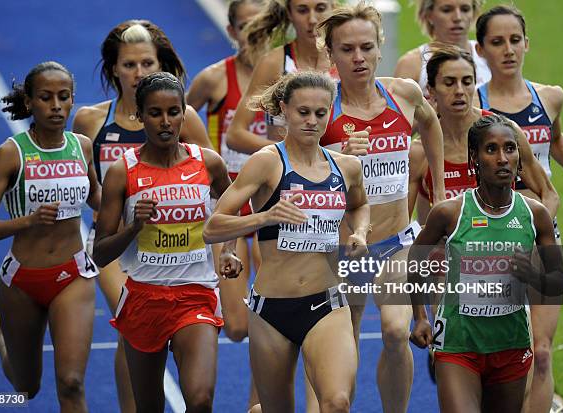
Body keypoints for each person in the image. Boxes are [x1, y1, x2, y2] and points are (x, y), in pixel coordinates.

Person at [204, 71, 370, 412]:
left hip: (327, 303)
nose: (311, 121)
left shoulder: (347, 167)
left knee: (337, 402)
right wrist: (265, 217)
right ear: (284, 110)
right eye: (302, 112)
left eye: (320, 113)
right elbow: (213, 226)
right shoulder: (267, 162)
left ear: (331, 112)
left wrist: (359, 233)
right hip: (272, 309)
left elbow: (360, 204)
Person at [71, 19, 213, 412]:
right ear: (114, 68)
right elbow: (83, 187)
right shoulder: (90, 120)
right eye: (129, 65)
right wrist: (120, 204)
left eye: (147, 64)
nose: (138, 73)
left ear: (160, 64)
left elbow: (210, 180)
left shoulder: (184, 118)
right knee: (129, 314)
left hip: (176, 241)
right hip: (115, 242)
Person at [316, 4, 444, 411]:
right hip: (343, 247)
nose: (358, 58)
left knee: (393, 332)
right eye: (347, 49)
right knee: (346, 344)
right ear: (331, 53)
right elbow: (294, 167)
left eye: (366, 47)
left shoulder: (403, 92)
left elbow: (431, 124)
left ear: (378, 47)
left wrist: (437, 189)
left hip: (394, 242)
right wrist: (334, 154)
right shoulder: (321, 107)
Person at [93, 72, 241, 413]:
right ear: (140, 115)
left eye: (174, 112)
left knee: (201, 399)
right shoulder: (122, 172)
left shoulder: (208, 163)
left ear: (184, 112)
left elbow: (233, 206)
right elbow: (99, 253)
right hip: (144, 298)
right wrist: (134, 227)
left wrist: (229, 250)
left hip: (197, 295)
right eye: (155, 113)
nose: (165, 121)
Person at [409, 113, 563, 413]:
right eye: (491, 149)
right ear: (474, 159)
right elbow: (416, 260)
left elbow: (559, 280)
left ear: (520, 159)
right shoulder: (449, 213)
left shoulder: (535, 215)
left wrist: (533, 276)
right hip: (458, 344)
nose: (503, 158)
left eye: (510, 148)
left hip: (511, 345)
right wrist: (420, 316)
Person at [0, 61, 101, 412]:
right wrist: (27, 222)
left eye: (64, 97)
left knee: (72, 383)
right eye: (46, 98)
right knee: (26, 387)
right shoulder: (10, 154)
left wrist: (134, 205)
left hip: (73, 275)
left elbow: (96, 197)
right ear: (29, 103)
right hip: (22, 280)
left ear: (73, 100)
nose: (56, 106)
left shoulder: (82, 147)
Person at [474, 6, 563, 412]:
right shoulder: (473, 106)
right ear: (480, 50)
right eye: (497, 42)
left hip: (543, 234)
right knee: (498, 352)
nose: (508, 50)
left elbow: (555, 140)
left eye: (515, 40)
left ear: (527, 43)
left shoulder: (549, 97)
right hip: (488, 241)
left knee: (542, 349)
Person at [409, 44, 559, 223]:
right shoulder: (420, 151)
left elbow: (550, 195)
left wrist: (531, 239)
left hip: (504, 249)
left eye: (466, 82)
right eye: (449, 83)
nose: (459, 91)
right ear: (431, 90)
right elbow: (404, 224)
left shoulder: (505, 133)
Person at [187, 0, 265, 343]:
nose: (255, 33)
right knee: (237, 327)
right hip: (229, 204)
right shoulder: (214, 78)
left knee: (272, 319)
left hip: (272, 205)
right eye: (247, 25)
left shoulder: (288, 78)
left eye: (262, 24)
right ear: (232, 31)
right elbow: (178, 124)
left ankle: (259, 400)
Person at [226, 0, 336, 153]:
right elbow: (235, 135)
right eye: (302, 10)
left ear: (334, 8)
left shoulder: (345, 59)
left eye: (320, 8)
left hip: (338, 173)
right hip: (287, 174)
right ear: (290, 13)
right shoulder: (273, 62)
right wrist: (287, 153)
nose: (312, 19)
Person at [394, 0, 490, 97]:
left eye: (465, 9)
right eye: (447, 10)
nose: (458, 17)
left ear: (474, 12)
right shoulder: (412, 64)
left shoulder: (489, 55)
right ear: (428, 14)